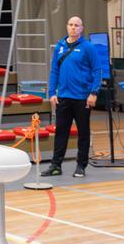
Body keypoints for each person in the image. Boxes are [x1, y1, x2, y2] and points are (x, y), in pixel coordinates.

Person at [41, 16, 101, 178]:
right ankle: (55, 165)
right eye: (71, 25)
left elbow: (97, 70)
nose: (73, 28)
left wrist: (93, 92)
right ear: (67, 26)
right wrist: (52, 93)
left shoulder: (88, 47)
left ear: (82, 28)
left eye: (77, 25)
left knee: (83, 132)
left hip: (82, 98)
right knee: (61, 132)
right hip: (64, 97)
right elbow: (54, 71)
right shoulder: (59, 46)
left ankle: (81, 166)